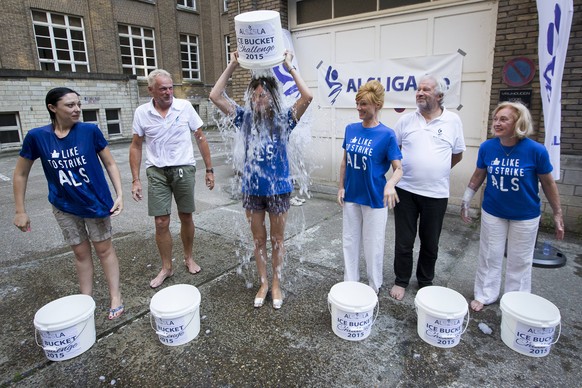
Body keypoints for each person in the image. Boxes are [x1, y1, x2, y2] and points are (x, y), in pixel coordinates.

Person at [209, 51, 313, 309]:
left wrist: (289, 66)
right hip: (252, 191)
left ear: (272, 97)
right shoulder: (243, 119)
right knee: (258, 240)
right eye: (254, 95)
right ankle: (264, 282)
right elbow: (214, 96)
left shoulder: (283, 121)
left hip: (278, 190)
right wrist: (232, 64)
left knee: (277, 240)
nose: (258, 98)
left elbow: (307, 97)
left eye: (262, 94)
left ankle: (276, 283)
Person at [13, 87, 125, 320]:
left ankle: (116, 296)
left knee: (104, 249)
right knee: (80, 253)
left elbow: (110, 164)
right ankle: (86, 301)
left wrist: (119, 193)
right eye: (70, 105)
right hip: (64, 206)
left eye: (78, 105)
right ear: (52, 108)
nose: (77, 110)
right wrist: (20, 211)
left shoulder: (89, 131)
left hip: (95, 203)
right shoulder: (37, 137)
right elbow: (21, 174)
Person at [461, 101, 565, 312]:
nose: (497, 123)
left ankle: (516, 300)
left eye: (503, 119)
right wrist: (466, 199)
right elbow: (479, 174)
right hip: (493, 212)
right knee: (489, 255)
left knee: (520, 260)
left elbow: (548, 182)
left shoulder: (536, 151)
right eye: (495, 119)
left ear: (519, 122)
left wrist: (557, 213)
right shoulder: (488, 147)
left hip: (525, 215)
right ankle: (485, 294)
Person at [130, 69, 215, 289]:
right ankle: (167, 267)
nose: (168, 92)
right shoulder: (142, 112)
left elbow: (200, 138)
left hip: (183, 168)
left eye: (170, 88)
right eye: (163, 88)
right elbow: (136, 145)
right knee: (161, 222)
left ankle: (188, 257)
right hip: (157, 171)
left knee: (186, 216)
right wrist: (135, 180)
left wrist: (209, 169)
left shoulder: (185, 107)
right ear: (151, 90)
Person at [389, 74, 466, 301]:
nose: (420, 92)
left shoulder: (453, 121)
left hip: (436, 193)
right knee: (404, 240)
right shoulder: (405, 121)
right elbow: (395, 151)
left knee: (430, 242)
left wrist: (437, 170)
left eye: (426, 89)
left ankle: (425, 282)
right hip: (405, 190)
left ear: (440, 96)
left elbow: (458, 154)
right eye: (418, 89)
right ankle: (401, 280)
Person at [337, 80, 403, 294]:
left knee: (373, 245)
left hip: (375, 198)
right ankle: (350, 284)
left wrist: (391, 184)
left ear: (377, 105)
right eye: (357, 103)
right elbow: (345, 161)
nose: (359, 108)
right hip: (352, 196)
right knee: (350, 241)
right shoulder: (351, 129)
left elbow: (399, 168)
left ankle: (373, 287)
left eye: (363, 104)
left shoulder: (387, 134)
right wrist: (340, 187)